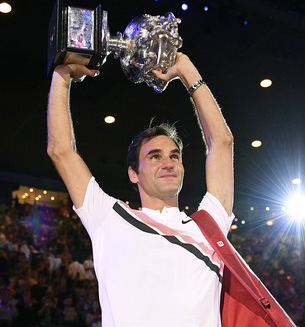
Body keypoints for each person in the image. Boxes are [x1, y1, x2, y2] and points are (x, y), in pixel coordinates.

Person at [47, 52, 234, 327]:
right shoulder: (108, 218)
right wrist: (61, 76)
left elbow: (222, 142)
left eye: (174, 156)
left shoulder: (209, 226)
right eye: (155, 157)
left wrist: (186, 70)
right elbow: (60, 150)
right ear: (133, 174)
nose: (168, 163)